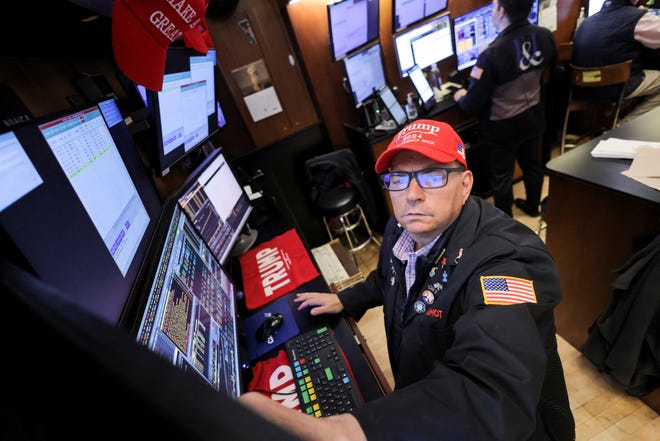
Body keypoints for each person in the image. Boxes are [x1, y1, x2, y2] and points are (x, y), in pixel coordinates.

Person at [238, 119, 575, 441]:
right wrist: (348, 299)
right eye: (398, 178)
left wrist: (355, 431)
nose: (411, 194)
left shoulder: (505, 262)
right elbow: (389, 276)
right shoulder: (403, 229)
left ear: (466, 183)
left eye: (431, 176)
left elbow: (495, 390)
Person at [453, 0, 556, 218]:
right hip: (534, 117)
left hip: (503, 128)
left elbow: (472, 104)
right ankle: (532, 206)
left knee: (502, 177)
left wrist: (461, 96)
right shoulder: (545, 35)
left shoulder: (491, 55)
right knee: (532, 166)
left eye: (493, 7)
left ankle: (505, 220)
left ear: (501, 11)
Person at [572, 0, 660, 124]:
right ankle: (625, 126)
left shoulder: (588, 21)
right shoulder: (637, 17)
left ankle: (611, 121)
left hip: (582, 88)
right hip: (615, 88)